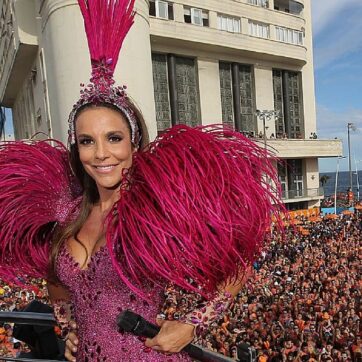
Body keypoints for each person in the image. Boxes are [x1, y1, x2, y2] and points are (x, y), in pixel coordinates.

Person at [0, 0, 282, 361]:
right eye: (87, 141)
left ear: (134, 143)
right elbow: (56, 280)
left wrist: (191, 324)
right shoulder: (64, 217)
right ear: (76, 148)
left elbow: (242, 260)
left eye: (113, 138)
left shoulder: (156, 212)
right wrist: (70, 329)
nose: (100, 153)